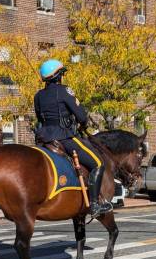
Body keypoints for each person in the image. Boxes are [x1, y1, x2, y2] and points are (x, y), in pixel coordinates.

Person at [34, 59, 112, 218]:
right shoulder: (64, 91)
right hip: (64, 136)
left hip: (43, 139)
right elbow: (81, 116)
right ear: (58, 76)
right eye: (61, 74)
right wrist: (82, 123)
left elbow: (39, 118)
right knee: (97, 163)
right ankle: (95, 204)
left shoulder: (38, 96)